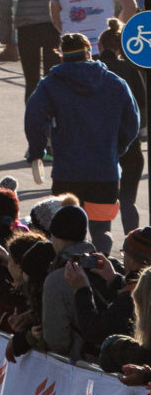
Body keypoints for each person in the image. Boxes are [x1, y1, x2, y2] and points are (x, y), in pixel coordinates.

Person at [26, 33, 143, 254]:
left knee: (65, 234)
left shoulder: (50, 85)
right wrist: (116, 149)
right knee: (101, 231)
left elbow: (34, 118)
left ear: (61, 56)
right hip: (105, 174)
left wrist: (37, 151)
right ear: (90, 52)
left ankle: (68, 275)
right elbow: (132, 122)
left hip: (67, 174)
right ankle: (100, 272)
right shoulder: (115, 83)